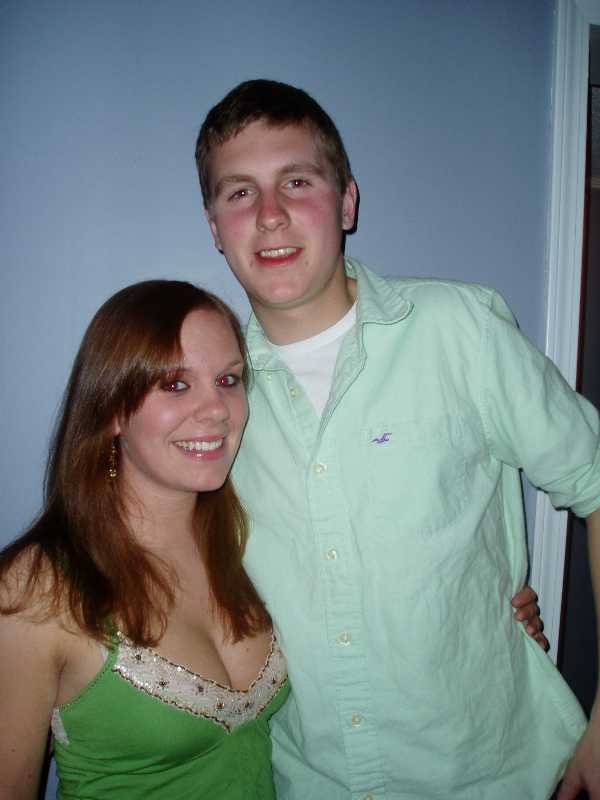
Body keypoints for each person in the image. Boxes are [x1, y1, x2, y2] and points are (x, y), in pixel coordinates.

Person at [194, 79, 600, 799]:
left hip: (490, 777)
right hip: (306, 783)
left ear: (347, 202)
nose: (271, 214)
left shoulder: (459, 331)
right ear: (215, 226)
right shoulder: (213, 402)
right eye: (240, 192)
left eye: (297, 181)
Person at [0, 280, 289, 799]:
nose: (217, 409)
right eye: (175, 384)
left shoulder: (246, 542)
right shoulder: (35, 589)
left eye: (228, 379)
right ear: (112, 408)